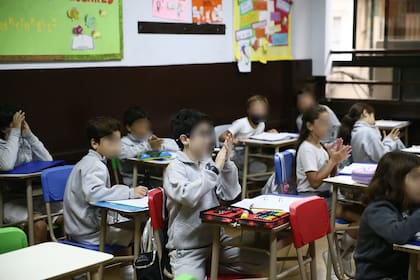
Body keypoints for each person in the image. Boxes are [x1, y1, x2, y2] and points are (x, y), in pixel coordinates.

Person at [164, 109, 267, 279]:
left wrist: (226, 164)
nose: (209, 139)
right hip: (188, 249)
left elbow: (229, 193)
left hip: (216, 243)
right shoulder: (175, 168)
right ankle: (202, 270)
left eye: (210, 134)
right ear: (185, 139)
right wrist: (215, 168)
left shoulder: (206, 161)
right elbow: (188, 197)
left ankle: (209, 268)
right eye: (203, 134)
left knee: (262, 261)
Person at [63, 116, 148, 246]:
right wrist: (130, 193)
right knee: (144, 230)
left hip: (82, 229)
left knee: (136, 224)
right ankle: (136, 265)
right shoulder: (95, 165)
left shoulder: (90, 161)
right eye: (111, 142)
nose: (116, 146)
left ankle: (126, 264)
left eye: (118, 141)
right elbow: (94, 194)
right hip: (91, 233)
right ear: (94, 143)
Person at [354, 152, 420, 280]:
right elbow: (398, 234)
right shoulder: (378, 209)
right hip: (377, 275)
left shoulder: (407, 204)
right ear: (395, 182)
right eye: (416, 178)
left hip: (399, 272)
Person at [0, 105, 52, 243]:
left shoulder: (23, 141)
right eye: (16, 124)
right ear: (4, 129)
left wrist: (29, 134)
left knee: (67, 216)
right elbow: (6, 165)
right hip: (8, 202)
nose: (20, 127)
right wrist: (15, 133)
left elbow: (48, 160)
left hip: (33, 198)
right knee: (39, 224)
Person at [118, 106, 178, 186]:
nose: (144, 126)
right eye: (140, 123)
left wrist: (159, 146)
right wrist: (148, 146)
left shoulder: (149, 138)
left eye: (146, 123)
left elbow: (174, 145)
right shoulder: (123, 142)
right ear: (129, 127)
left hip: (153, 179)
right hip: (134, 182)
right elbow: (123, 154)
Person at [219, 95, 276, 174]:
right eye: (257, 110)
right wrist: (237, 141)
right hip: (237, 155)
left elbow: (258, 139)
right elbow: (222, 137)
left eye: (262, 110)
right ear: (249, 110)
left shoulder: (262, 124)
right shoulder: (241, 123)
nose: (260, 112)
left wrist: (269, 134)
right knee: (260, 168)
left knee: (273, 164)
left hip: (252, 154)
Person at [338, 102, 405, 163]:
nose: (375, 121)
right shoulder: (366, 132)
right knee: (396, 140)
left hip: (363, 169)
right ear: (365, 113)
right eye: (373, 116)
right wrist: (389, 141)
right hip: (372, 171)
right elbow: (381, 157)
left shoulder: (356, 131)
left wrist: (383, 141)